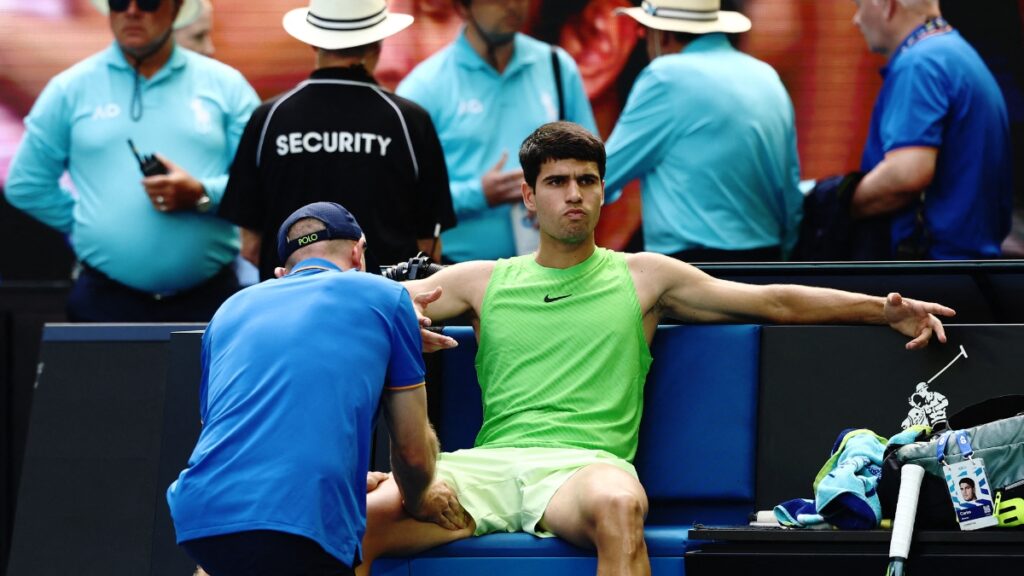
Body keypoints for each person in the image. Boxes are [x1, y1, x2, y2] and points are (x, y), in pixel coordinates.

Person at [358, 121, 956, 575]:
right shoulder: (481, 280)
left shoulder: (644, 276)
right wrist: (369, 302)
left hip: (583, 471)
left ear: (602, 192)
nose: (574, 195)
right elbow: (356, 303)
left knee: (621, 507)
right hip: (487, 469)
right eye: (557, 182)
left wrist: (881, 309)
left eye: (587, 181)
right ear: (529, 196)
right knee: (349, 527)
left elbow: (771, 301)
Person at [167, 201, 468, 576]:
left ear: (282, 271)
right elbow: (412, 452)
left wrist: (347, 476)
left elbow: (230, 438)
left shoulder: (229, 309)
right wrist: (422, 498)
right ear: (358, 252)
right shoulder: (387, 298)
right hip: (303, 528)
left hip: (202, 518)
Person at [4, 0, 258, 322]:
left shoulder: (226, 85)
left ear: (176, 9)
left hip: (210, 297)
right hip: (105, 297)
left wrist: (201, 194)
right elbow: (26, 184)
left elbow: (259, 181)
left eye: (149, 2)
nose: (132, 12)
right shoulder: (70, 88)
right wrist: (91, 225)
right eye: (119, 2)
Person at [220, 0, 456, 279]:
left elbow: (250, 246)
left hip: (287, 305)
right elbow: (428, 246)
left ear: (313, 43)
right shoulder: (409, 120)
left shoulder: (268, 118)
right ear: (378, 42)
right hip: (381, 308)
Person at [396, 0, 597, 262]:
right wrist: (478, 194)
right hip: (460, 274)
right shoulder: (424, 87)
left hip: (555, 267)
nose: (513, 5)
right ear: (463, 8)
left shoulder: (557, 67)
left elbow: (593, 166)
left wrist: (557, 196)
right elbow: (403, 201)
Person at [603, 0, 803, 262]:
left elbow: (603, 174)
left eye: (645, 29)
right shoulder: (767, 76)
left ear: (662, 34)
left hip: (691, 270)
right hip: (767, 262)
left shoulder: (665, 76)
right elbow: (790, 190)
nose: (642, 37)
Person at [850, 0, 1013, 259]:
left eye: (859, 6)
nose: (856, 20)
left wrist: (837, 203)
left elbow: (906, 176)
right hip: (966, 268)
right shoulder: (955, 51)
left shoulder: (920, 64)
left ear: (886, 6)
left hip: (935, 270)